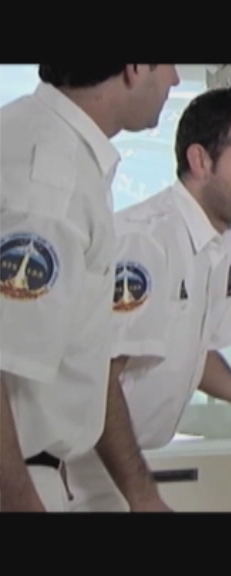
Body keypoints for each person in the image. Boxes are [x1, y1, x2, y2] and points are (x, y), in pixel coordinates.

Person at [62, 87, 231, 512]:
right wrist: (143, 495)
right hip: (77, 468)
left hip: (122, 464)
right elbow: (101, 376)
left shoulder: (222, 237)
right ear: (200, 160)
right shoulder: (144, 241)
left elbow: (191, 348)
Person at [1, 64, 180, 512]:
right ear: (134, 68)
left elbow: (86, 354)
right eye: (170, 63)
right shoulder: (51, 181)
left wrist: (142, 495)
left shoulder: (36, 139)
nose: (175, 79)